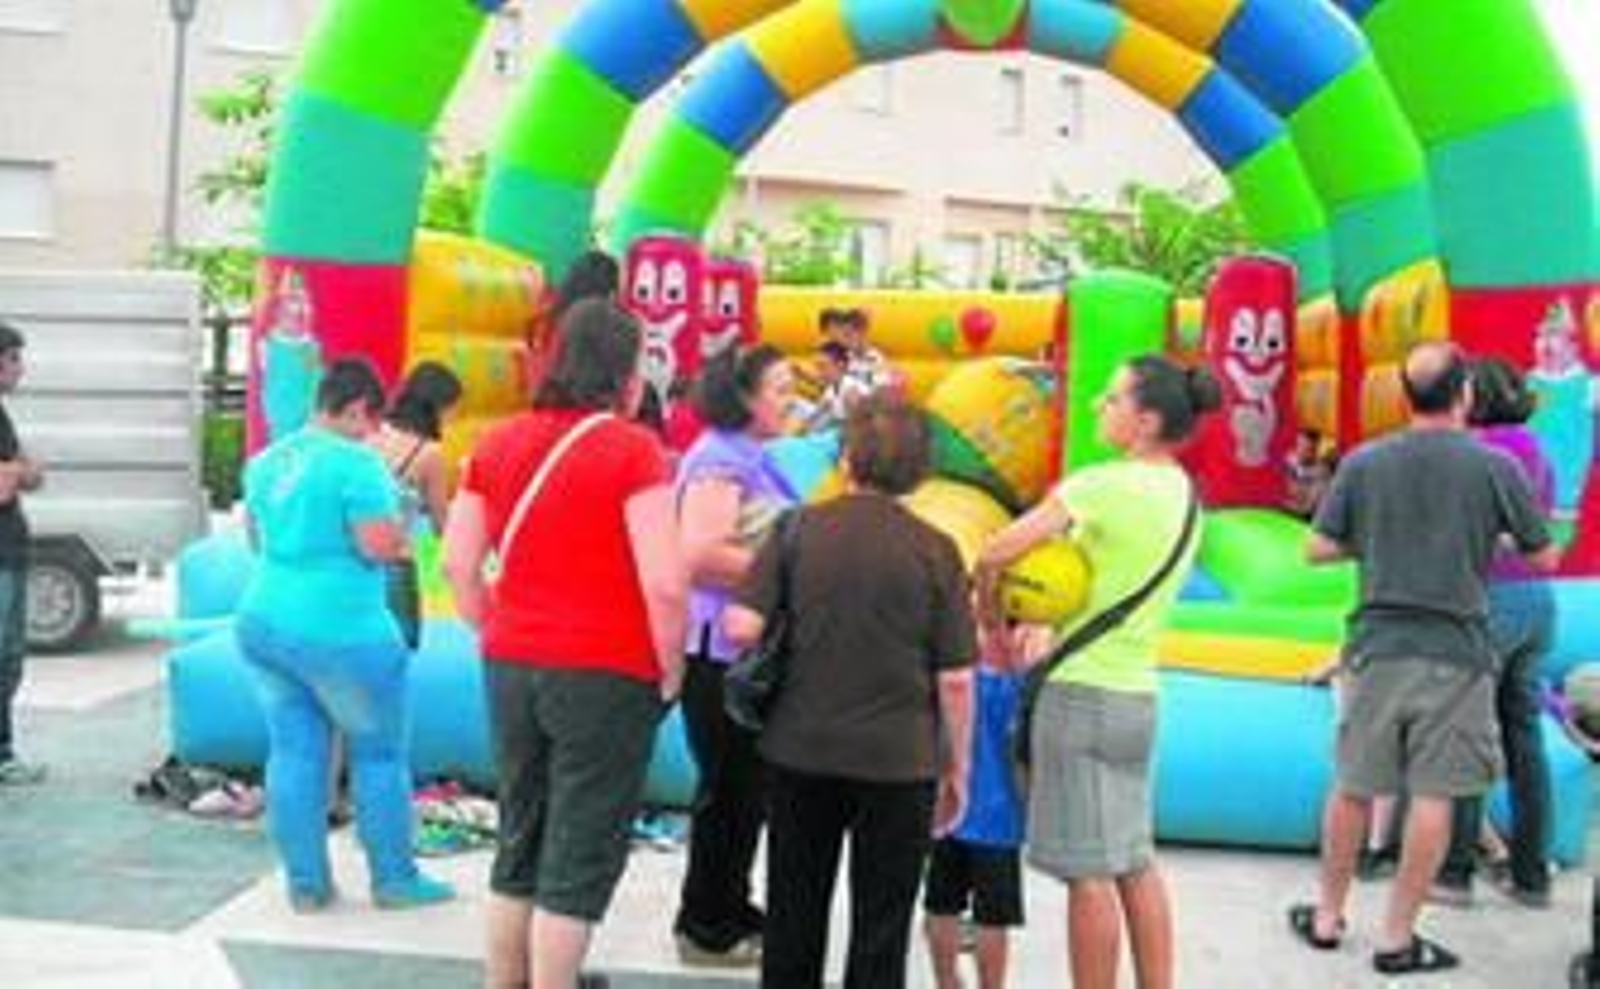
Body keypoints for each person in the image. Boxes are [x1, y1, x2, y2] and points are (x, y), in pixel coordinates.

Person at [1289, 342, 1558, 976]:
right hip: (1457, 651)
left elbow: (1316, 550)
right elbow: (1543, 557)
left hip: (1377, 647)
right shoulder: (1497, 469)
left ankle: (1327, 918)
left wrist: (1382, 537)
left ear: (1406, 396)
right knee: (1436, 793)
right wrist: (1480, 537)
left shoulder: (1365, 461)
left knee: (1354, 785)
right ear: (1463, 394)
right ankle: (1397, 938)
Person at [443, 299, 687, 989]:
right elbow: (665, 581)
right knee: (579, 846)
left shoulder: (496, 441)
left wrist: (494, 625)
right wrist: (670, 666)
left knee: (519, 831)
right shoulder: (634, 449)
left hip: (512, 661)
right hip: (607, 668)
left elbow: (460, 562)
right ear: (625, 373)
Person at [975, 355, 1219, 989]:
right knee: (1135, 860)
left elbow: (998, 549)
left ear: (1144, 420)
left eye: (1110, 400)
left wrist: (992, 619)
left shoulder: (1102, 485)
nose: (1097, 408)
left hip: (1081, 697)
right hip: (1138, 696)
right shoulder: (1188, 497)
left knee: (1089, 874)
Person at [725, 393, 975, 989]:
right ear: (921, 469)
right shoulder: (937, 550)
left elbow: (741, 626)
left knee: (793, 911)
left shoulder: (798, 529)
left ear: (847, 457)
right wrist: (955, 768)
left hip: (799, 748)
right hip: (899, 761)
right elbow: (958, 679)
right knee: (881, 927)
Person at [235, 358, 453, 912]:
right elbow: (379, 547)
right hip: (344, 631)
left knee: (293, 751)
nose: (374, 433)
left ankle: (306, 884)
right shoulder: (357, 466)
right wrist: (404, 530)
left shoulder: (265, 462)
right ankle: (394, 880)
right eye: (370, 421)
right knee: (379, 753)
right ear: (355, 409)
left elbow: (257, 543)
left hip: (263, 620)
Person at [672, 344, 799, 965]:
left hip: (743, 648)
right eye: (779, 387)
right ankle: (706, 924)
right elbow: (699, 552)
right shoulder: (719, 461)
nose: (790, 398)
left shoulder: (750, 457)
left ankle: (730, 902)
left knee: (746, 789)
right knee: (729, 790)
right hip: (720, 651)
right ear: (743, 396)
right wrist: (786, 575)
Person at [1434, 356, 1559, 908]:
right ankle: (1531, 873)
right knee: (1523, 737)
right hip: (1537, 603)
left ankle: (1456, 871)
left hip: (1490, 603)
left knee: (1466, 734)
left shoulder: (1478, 454)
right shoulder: (1538, 452)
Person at [923, 621, 1046, 989]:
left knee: (941, 906)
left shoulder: (957, 679)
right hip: (1000, 821)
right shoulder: (1022, 690)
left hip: (947, 812)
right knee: (992, 919)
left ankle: (946, 982)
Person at [367, 360, 464, 649]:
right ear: (437, 407)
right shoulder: (428, 454)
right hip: (395, 567)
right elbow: (441, 527)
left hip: (351, 563)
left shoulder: (371, 434)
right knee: (397, 652)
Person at [0, 321, 45, 786]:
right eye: (14, 358)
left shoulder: (2, 417)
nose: (21, 368)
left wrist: (19, 470)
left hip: (10, 552)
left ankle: (4, 750)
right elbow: (7, 483)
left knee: (10, 657)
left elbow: (31, 474)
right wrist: (18, 471)